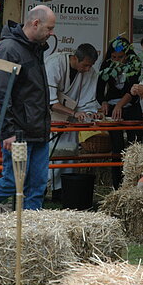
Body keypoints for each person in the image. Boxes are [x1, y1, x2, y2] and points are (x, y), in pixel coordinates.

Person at [0, 5, 56, 213]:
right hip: (19, 131)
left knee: (38, 184)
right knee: (11, 181)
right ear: (35, 23)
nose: (52, 33)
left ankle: (32, 229)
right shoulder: (9, 49)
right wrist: (8, 132)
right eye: (49, 28)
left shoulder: (34, 48)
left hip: (37, 130)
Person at [44, 43, 100, 194]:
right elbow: (51, 101)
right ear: (75, 58)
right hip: (50, 116)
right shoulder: (55, 64)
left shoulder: (90, 72)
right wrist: (74, 113)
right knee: (51, 151)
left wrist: (90, 113)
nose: (87, 69)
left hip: (71, 120)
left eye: (90, 65)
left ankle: (62, 190)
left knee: (70, 152)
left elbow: (87, 101)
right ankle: (47, 186)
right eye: (85, 65)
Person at [96, 36, 143, 189]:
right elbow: (99, 91)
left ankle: (133, 184)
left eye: (121, 57)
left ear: (128, 56)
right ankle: (117, 186)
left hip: (131, 106)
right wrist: (103, 102)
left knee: (134, 145)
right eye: (114, 57)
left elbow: (133, 89)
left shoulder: (135, 65)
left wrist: (120, 106)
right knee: (117, 147)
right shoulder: (106, 66)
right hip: (112, 107)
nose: (117, 60)